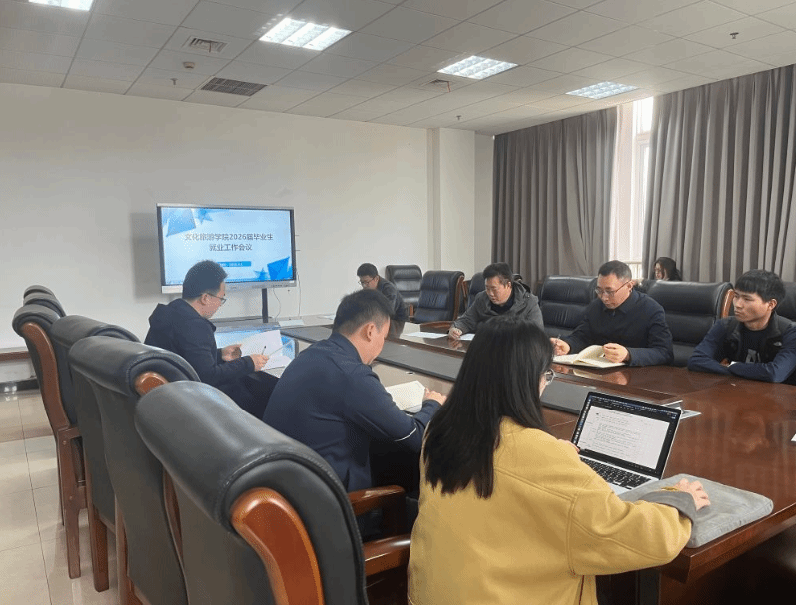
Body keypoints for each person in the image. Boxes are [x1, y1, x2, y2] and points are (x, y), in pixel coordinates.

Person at [409, 316, 708, 605]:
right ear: (526, 379)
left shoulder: (440, 428)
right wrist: (679, 500)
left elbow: (503, 483)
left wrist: (552, 454)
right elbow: (635, 537)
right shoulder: (541, 457)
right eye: (546, 375)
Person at [263, 288, 445, 492]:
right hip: (325, 497)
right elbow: (414, 437)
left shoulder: (311, 354)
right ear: (370, 331)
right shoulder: (352, 375)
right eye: (384, 337)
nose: (382, 346)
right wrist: (432, 404)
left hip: (286, 485)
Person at [144, 260, 269, 416]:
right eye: (221, 299)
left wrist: (219, 354)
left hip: (171, 397)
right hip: (195, 405)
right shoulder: (194, 325)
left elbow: (186, 357)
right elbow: (208, 377)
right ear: (205, 298)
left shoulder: (171, 313)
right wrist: (248, 363)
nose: (220, 305)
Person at [551, 260, 674, 366]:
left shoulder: (651, 309)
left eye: (610, 292)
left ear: (629, 286)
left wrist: (628, 355)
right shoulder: (595, 306)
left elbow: (665, 353)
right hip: (598, 373)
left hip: (638, 375)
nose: (604, 297)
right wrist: (568, 346)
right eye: (599, 290)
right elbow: (582, 336)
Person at [688, 270, 796, 384]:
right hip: (735, 390)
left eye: (747, 299)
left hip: (778, 394)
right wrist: (740, 371)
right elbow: (696, 361)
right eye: (736, 296)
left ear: (771, 304)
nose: (737, 305)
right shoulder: (725, 325)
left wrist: (732, 366)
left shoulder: (790, 333)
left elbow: (774, 374)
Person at [448, 262, 542, 339]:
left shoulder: (528, 302)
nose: (490, 293)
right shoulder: (482, 298)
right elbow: (466, 320)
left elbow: (536, 334)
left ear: (508, 285)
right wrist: (456, 328)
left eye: (494, 289)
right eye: (487, 288)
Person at [356, 263, 409, 335]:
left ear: (376, 279)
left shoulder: (389, 289)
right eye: (362, 282)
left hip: (397, 323)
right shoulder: (368, 289)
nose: (364, 286)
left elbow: (387, 312)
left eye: (367, 282)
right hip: (380, 322)